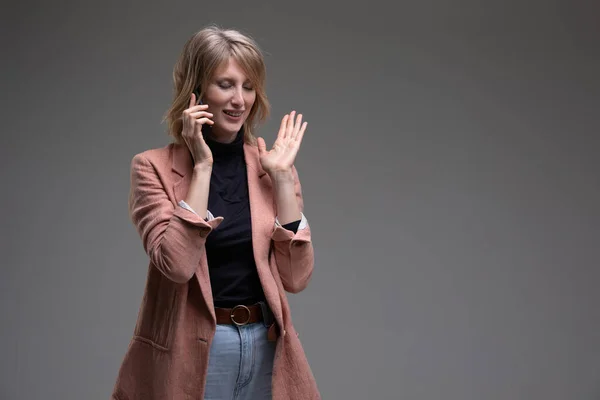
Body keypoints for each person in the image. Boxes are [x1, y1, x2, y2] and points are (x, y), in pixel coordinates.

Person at [111, 26, 320, 400]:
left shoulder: (271, 167)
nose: (240, 100)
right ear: (195, 90)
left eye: (249, 86)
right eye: (226, 84)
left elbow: (296, 278)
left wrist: (284, 179)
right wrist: (203, 166)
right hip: (194, 352)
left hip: (266, 345)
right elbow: (176, 265)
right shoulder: (152, 168)